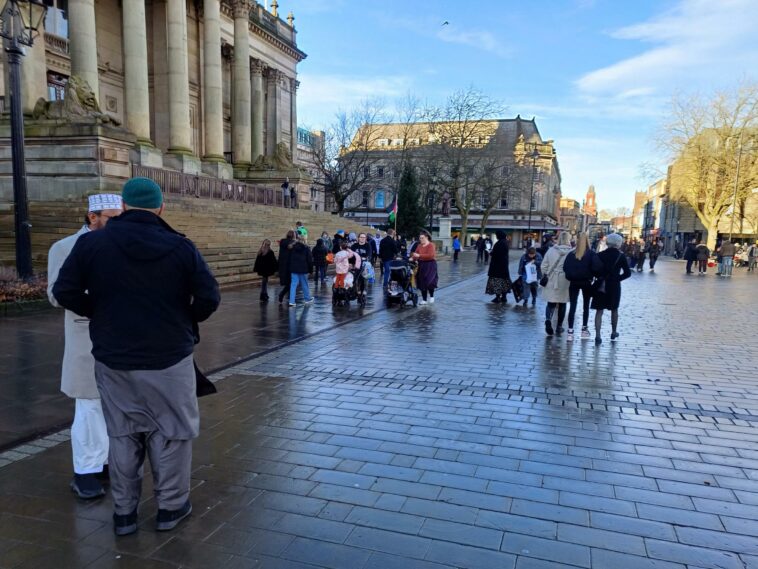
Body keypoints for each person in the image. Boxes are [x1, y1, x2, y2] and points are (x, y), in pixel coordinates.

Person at [52, 177, 220, 536]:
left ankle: (125, 514)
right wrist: (183, 318)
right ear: (160, 208)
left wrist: (99, 312)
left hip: (114, 356)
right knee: (171, 432)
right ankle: (170, 507)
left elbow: (64, 290)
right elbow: (209, 299)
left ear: (124, 207)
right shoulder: (181, 247)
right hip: (169, 356)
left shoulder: (91, 244)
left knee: (123, 433)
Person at [47, 193, 123, 500]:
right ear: (93, 217)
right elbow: (55, 294)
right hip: (85, 337)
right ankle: (85, 472)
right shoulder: (64, 247)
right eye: (113, 218)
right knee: (89, 407)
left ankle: (103, 463)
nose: (119, 224)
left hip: (118, 337)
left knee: (111, 407)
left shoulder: (118, 245)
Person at [591, 233, 631, 345]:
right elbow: (627, 273)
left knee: (599, 311)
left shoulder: (599, 255)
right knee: (614, 309)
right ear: (618, 243)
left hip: (601, 285)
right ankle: (613, 332)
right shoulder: (620, 256)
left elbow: (594, 270)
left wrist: (600, 277)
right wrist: (617, 278)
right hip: (614, 286)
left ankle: (597, 335)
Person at [563, 232, 602, 341]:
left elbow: (565, 268)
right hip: (587, 282)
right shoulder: (591, 254)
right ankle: (584, 329)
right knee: (586, 306)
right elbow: (597, 269)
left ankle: (570, 332)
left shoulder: (571, 254)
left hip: (573, 282)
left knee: (573, 306)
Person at [541, 232, 573, 336]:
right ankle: (559, 326)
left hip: (552, 278)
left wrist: (546, 274)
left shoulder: (551, 250)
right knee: (562, 303)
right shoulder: (571, 252)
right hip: (565, 280)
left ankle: (548, 319)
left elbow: (543, 266)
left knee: (551, 302)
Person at [412, 230, 438, 305]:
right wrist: (412, 258)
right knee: (422, 282)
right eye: (420, 238)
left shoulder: (431, 245)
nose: (421, 240)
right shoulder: (419, 245)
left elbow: (431, 255)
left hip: (430, 265)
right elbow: (415, 254)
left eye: (422, 238)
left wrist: (419, 255)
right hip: (422, 264)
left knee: (430, 281)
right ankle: (424, 299)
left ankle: (432, 296)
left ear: (427, 237)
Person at [485, 230, 512, 303]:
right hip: (504, 266)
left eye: (497, 235)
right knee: (504, 281)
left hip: (497, 267)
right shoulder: (506, 243)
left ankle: (498, 297)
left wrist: (490, 252)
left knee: (497, 282)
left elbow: (496, 254)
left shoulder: (499, 243)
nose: (496, 236)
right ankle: (504, 297)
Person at [288, 235, 314, 306]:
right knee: (304, 284)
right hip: (303, 269)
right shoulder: (306, 248)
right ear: (304, 240)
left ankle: (292, 301)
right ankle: (307, 299)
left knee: (293, 285)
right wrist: (311, 270)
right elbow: (309, 260)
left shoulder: (293, 248)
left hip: (294, 268)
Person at [351, 233, 373, 300]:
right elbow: (351, 254)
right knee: (356, 279)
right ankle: (357, 291)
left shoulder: (367, 245)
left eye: (364, 237)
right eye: (361, 237)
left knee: (364, 279)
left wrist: (367, 258)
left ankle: (364, 292)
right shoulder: (354, 245)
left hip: (364, 265)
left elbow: (369, 254)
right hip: (356, 265)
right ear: (358, 238)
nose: (362, 238)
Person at [278, 230, 295, 303]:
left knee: (289, 282)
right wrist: (295, 242)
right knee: (291, 282)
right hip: (289, 265)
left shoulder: (282, 241)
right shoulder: (291, 242)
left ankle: (288, 296)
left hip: (283, 264)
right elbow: (289, 247)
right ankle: (282, 294)